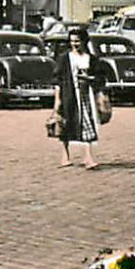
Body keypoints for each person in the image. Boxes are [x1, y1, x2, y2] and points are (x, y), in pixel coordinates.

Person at [51, 26, 103, 170]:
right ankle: (65, 155)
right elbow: (57, 80)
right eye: (72, 41)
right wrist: (58, 100)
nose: (74, 44)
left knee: (87, 124)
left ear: (84, 41)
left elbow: (100, 78)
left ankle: (88, 157)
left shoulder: (91, 59)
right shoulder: (64, 58)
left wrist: (90, 79)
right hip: (69, 95)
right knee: (65, 125)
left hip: (86, 96)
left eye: (77, 41)